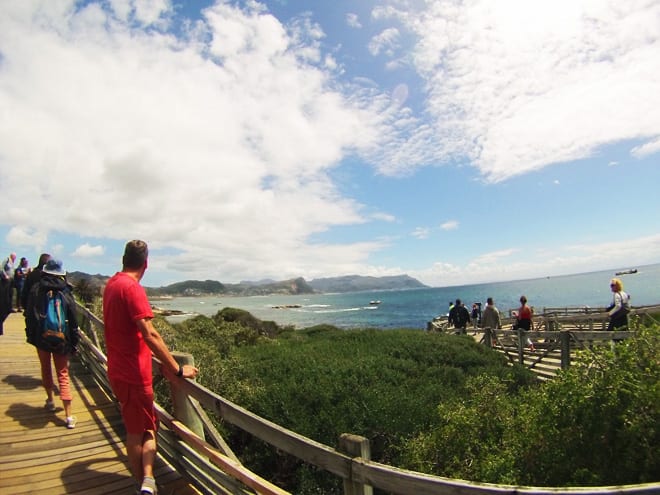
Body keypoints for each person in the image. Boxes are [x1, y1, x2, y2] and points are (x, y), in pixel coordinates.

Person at [103, 240, 199, 495]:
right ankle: (143, 485)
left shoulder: (112, 284)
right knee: (137, 432)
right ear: (146, 263)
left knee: (146, 426)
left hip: (118, 370)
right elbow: (150, 334)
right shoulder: (132, 289)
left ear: (124, 259)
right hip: (133, 374)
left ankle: (147, 479)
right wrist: (176, 369)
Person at [25, 258, 80, 428]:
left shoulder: (37, 289)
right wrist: (74, 342)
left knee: (45, 368)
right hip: (61, 339)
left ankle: (50, 400)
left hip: (42, 337)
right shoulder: (65, 291)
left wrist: (31, 335)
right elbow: (73, 319)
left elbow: (30, 315)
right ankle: (69, 416)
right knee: (63, 375)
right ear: (61, 273)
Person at [0, 252, 17, 334]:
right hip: (5, 281)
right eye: (14, 257)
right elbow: (1, 268)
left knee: (10, 295)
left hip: (11, 281)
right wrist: (5, 275)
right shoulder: (7, 260)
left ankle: (10, 307)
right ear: (11, 256)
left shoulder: (12, 263)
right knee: (5, 296)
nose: (15, 258)